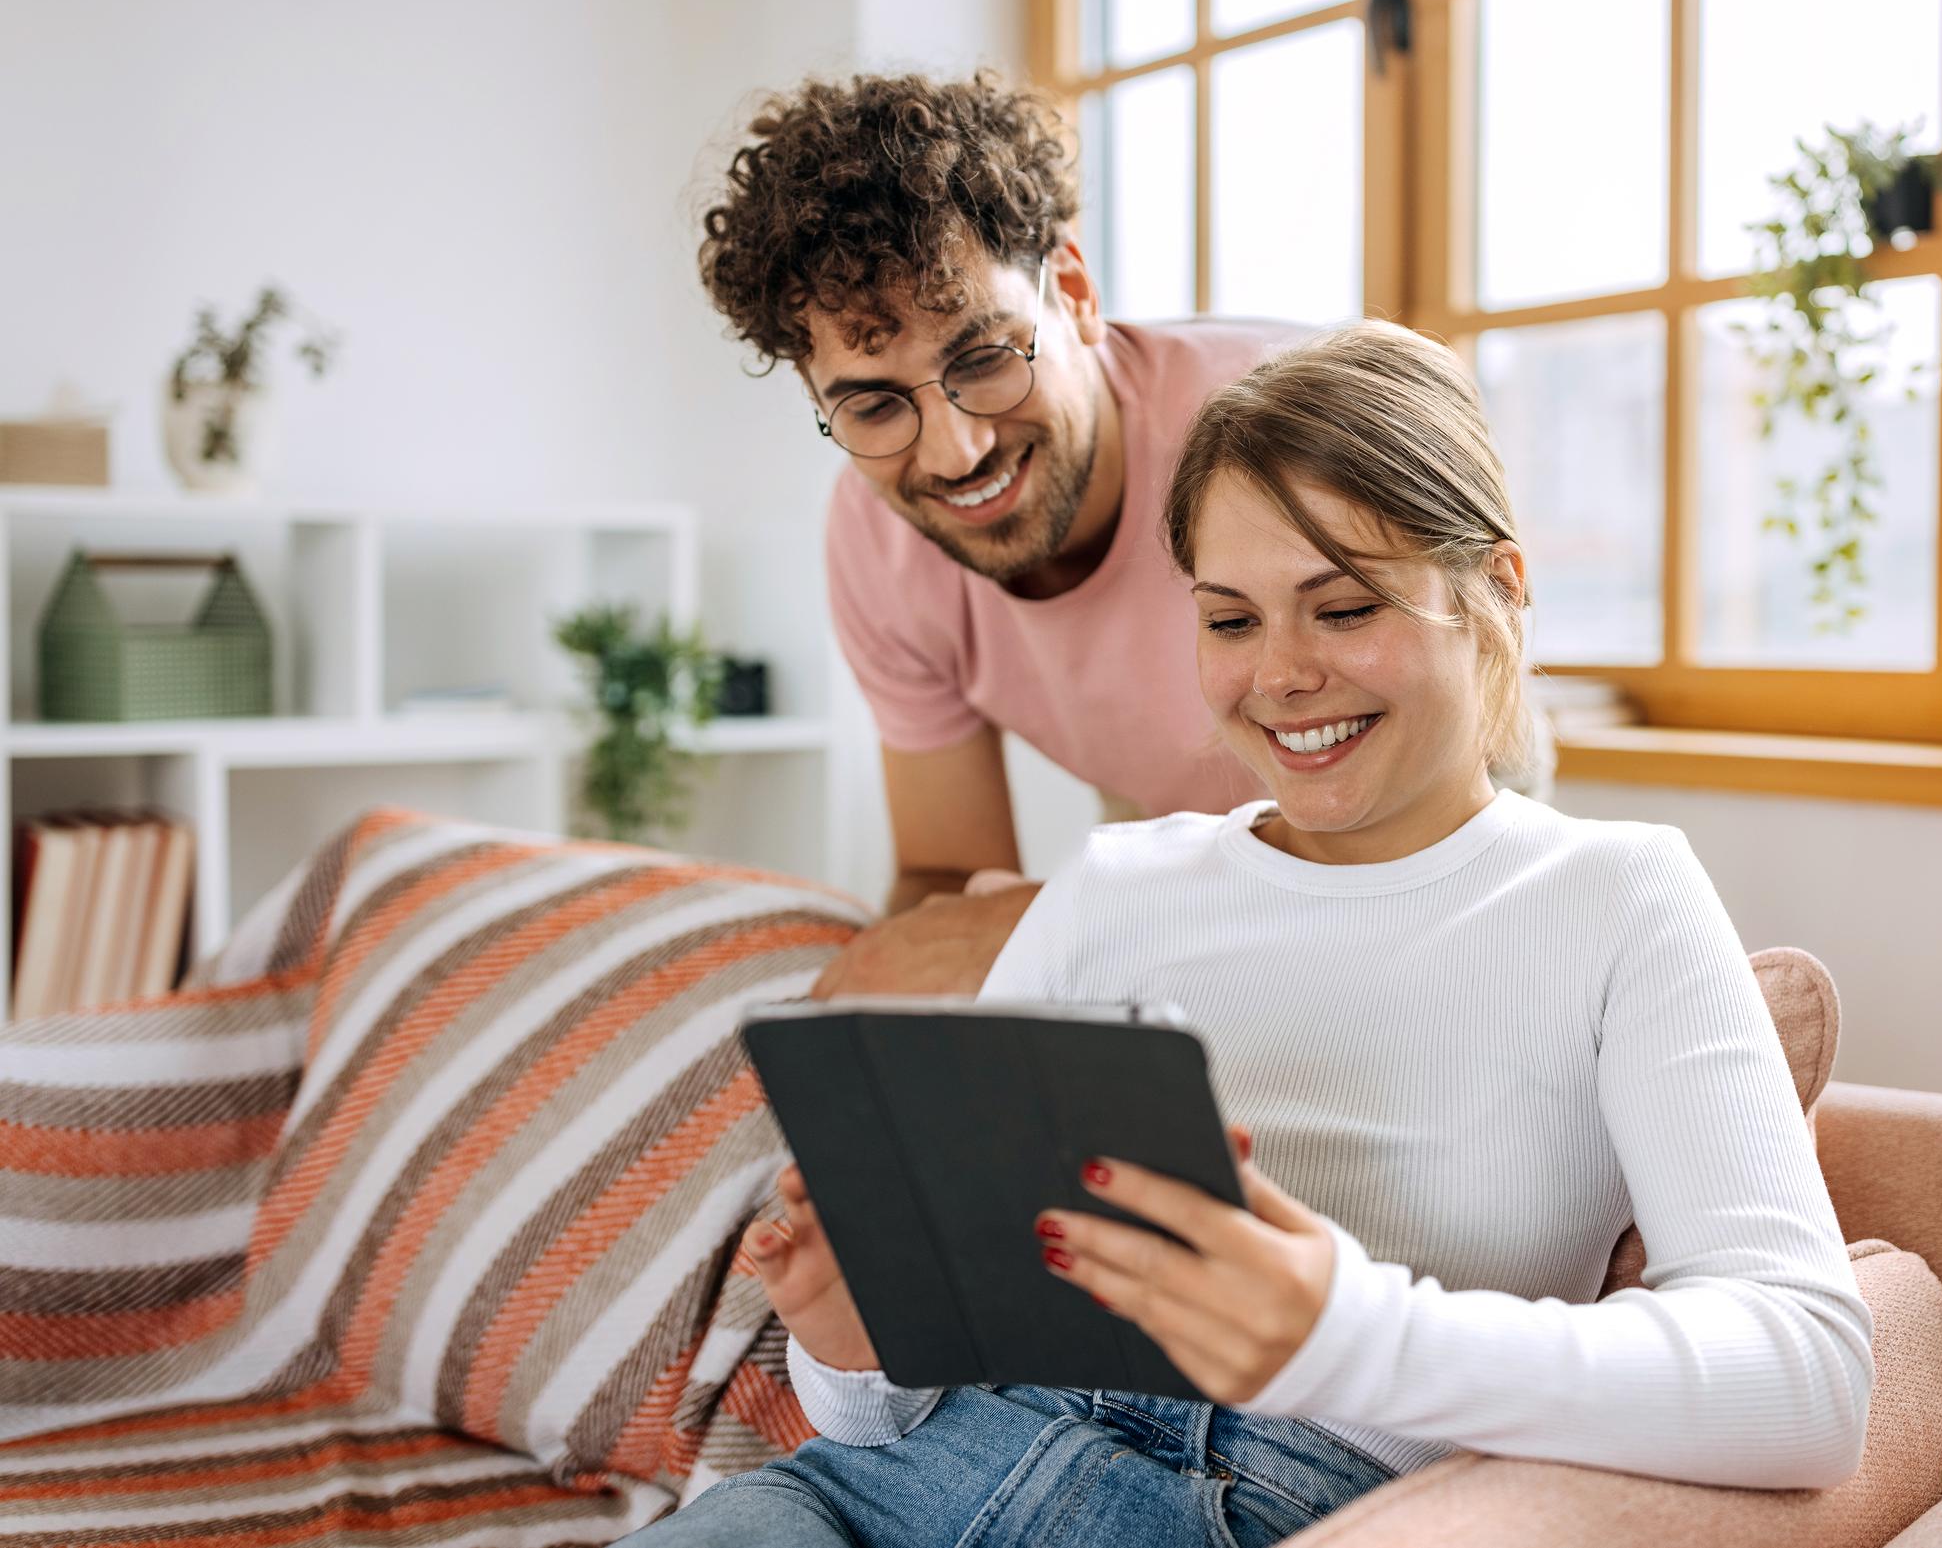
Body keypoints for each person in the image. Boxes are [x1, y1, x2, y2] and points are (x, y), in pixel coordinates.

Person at [623, 321, 1873, 1546]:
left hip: (1273, 1499)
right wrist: (854, 1338)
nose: (1279, 675)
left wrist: (1352, 1333)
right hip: (894, 1484)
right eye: (1230, 620)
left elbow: (1810, 1375)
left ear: (1498, 586)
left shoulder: (1620, 898)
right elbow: (888, 1402)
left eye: (1342, 608)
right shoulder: (1119, 882)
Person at [695, 72, 1301, 993]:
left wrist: (1073, 916)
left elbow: (1384, 867)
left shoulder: (1286, 436)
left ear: (1073, 290)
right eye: (872, 404)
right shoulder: (877, 543)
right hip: (1186, 835)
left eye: (983, 359)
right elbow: (947, 877)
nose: (955, 451)